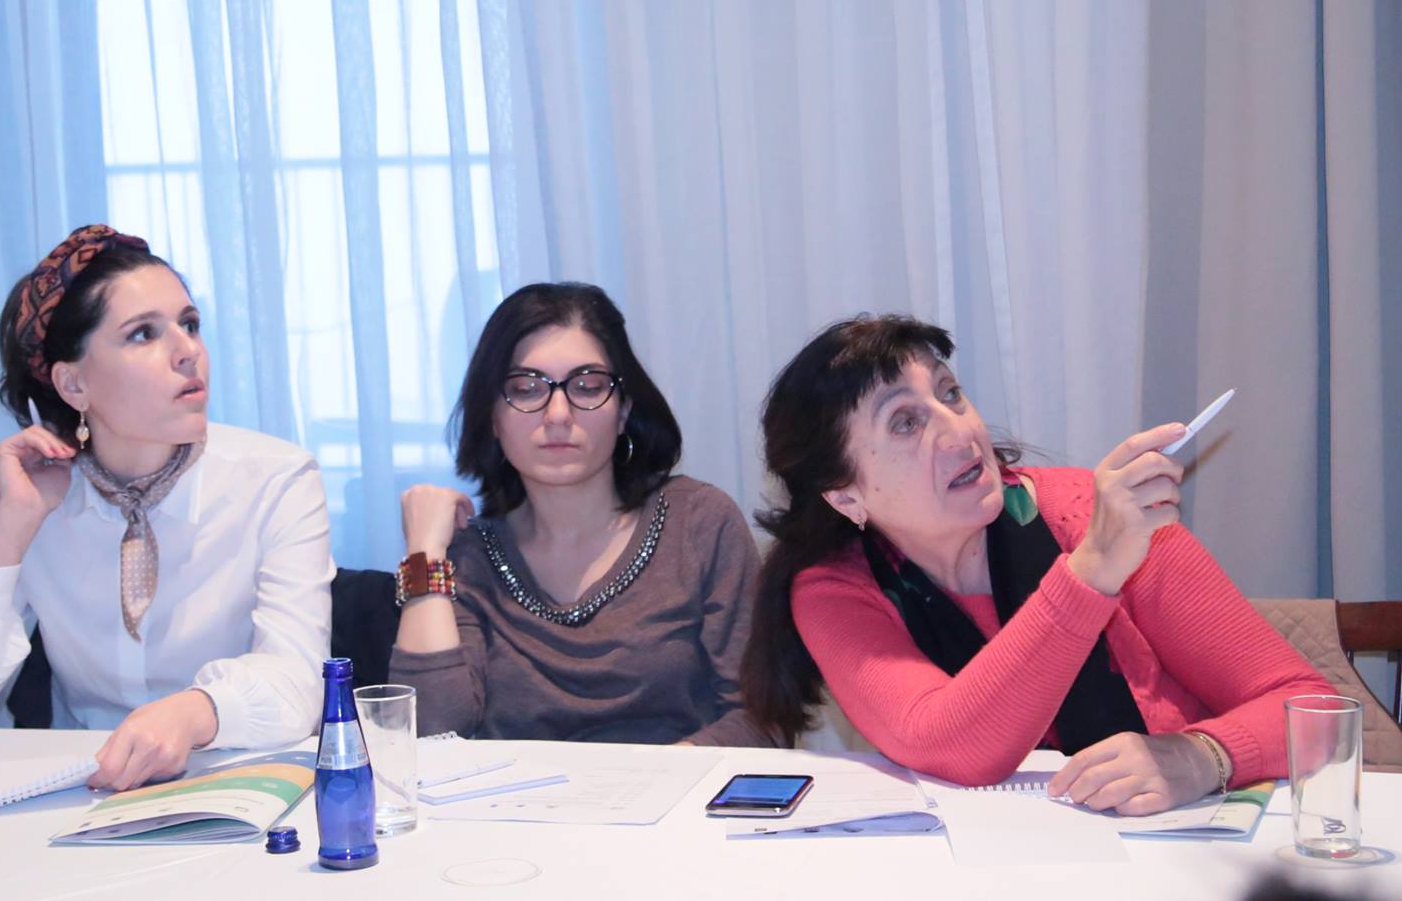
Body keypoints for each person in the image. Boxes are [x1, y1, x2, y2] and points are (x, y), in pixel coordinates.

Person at [742, 315, 1334, 812]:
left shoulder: (1094, 519)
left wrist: (1205, 756)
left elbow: (1315, 710)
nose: (961, 432)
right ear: (846, 497)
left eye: (950, 394)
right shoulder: (834, 588)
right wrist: (1089, 575)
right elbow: (953, 747)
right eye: (905, 422)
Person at [0, 225, 332, 789]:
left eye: (189, 324)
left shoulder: (276, 478)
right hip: (82, 788)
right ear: (74, 384)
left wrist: (193, 713)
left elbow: (299, 681)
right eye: (143, 334)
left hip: (235, 781)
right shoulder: (29, 493)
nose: (188, 351)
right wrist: (11, 527)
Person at [388, 282, 770, 746]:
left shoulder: (699, 523)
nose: (557, 414)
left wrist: (652, 778)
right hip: (513, 795)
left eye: (587, 387)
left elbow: (762, 716)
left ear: (624, 410)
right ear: (492, 418)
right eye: (526, 389)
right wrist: (425, 556)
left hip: (681, 787)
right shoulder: (468, 556)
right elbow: (430, 737)